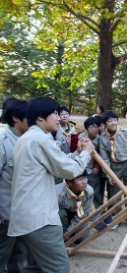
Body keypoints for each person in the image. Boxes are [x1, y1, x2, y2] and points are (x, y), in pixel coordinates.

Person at [8, 96, 94, 273]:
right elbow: (69, 171)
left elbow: (55, 164)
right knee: (59, 267)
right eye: (55, 113)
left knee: (37, 267)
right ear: (40, 117)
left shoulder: (28, 138)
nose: (58, 117)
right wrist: (86, 153)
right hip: (39, 218)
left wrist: (77, 152)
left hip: (28, 216)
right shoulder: (41, 139)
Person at [0, 99, 28, 273]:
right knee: (2, 254)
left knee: (19, 255)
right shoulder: (2, 141)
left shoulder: (27, 140)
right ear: (16, 118)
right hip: (5, 215)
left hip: (23, 213)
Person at [99, 110, 127, 229]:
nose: (112, 123)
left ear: (118, 120)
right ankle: (115, 218)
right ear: (105, 123)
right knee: (114, 194)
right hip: (113, 166)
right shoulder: (103, 137)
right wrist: (108, 174)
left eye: (114, 120)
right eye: (109, 120)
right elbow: (104, 158)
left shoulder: (126, 132)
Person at [56, 170, 93, 244]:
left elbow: (82, 215)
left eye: (85, 177)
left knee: (84, 237)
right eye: (80, 179)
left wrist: (69, 231)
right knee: (60, 213)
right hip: (61, 218)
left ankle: (69, 235)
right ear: (69, 182)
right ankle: (60, 237)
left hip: (77, 216)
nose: (84, 182)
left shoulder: (89, 192)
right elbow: (51, 213)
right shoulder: (58, 192)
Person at [78, 117, 103, 209]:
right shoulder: (80, 137)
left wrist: (97, 166)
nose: (94, 130)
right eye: (91, 127)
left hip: (93, 169)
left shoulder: (100, 139)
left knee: (96, 191)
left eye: (96, 127)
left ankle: (99, 212)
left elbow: (102, 154)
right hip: (81, 168)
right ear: (86, 128)